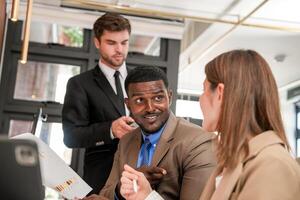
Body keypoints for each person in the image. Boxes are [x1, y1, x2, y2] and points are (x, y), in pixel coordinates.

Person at [120, 50, 300, 200]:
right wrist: (147, 196)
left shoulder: (271, 165)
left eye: (204, 90)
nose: (201, 99)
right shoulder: (234, 161)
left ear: (220, 93)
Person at [84, 66, 216, 200]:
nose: (150, 108)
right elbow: (106, 194)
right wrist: (122, 188)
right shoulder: (126, 141)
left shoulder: (199, 142)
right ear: (128, 104)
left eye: (158, 98)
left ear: (169, 97)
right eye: (140, 100)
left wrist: (144, 192)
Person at [62, 12, 136, 194]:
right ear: (97, 42)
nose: (119, 49)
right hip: (101, 179)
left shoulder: (140, 80)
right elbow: (71, 136)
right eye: (111, 43)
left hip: (140, 176)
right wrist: (110, 129)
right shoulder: (79, 84)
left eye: (124, 43)